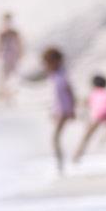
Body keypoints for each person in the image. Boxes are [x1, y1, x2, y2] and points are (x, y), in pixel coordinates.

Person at [72, 73, 106, 165]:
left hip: (100, 114)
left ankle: (77, 156)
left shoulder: (93, 93)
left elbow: (85, 104)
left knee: (87, 135)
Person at [39, 47, 75, 175]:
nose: (46, 65)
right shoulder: (53, 75)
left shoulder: (61, 74)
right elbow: (55, 95)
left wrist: (72, 109)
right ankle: (59, 163)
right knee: (55, 138)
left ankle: (60, 165)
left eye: (48, 62)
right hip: (58, 109)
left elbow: (70, 92)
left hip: (64, 110)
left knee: (55, 138)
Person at [0, 12, 24, 106]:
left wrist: (20, 54)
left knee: (13, 77)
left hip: (12, 57)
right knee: (4, 78)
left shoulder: (14, 32)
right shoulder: (2, 33)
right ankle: (4, 97)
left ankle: (11, 97)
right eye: (6, 20)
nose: (8, 22)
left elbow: (20, 44)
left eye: (9, 20)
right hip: (5, 57)